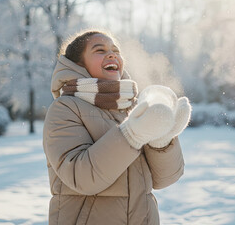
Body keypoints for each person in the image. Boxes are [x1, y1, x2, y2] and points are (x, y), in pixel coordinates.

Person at [43, 30, 191, 225]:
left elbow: (165, 179)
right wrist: (132, 134)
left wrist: (162, 141)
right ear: (78, 65)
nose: (112, 54)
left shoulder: (133, 108)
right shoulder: (64, 108)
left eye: (115, 50)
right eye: (100, 50)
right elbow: (83, 177)